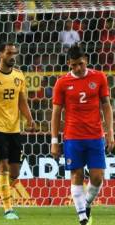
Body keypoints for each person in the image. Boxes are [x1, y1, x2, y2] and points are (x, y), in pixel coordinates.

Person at [51, 44, 114, 225]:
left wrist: (111, 132)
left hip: (95, 135)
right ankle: (82, 218)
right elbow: (56, 113)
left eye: (80, 64)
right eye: (73, 66)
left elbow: (106, 106)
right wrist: (54, 140)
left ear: (85, 59)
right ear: (69, 64)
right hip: (72, 137)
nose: (78, 68)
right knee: (76, 175)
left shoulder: (99, 77)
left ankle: (85, 204)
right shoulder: (62, 83)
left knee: (97, 177)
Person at [0, 43, 35, 220]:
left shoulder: (19, 75)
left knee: (15, 173)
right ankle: (8, 209)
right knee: (1, 167)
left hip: (14, 128)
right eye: (9, 53)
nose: (13, 56)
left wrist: (30, 118)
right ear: (0, 54)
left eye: (14, 53)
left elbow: (22, 101)